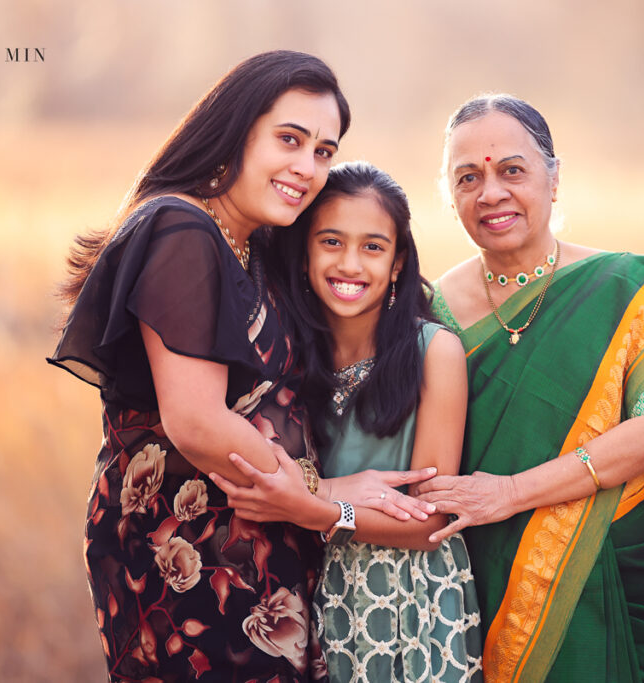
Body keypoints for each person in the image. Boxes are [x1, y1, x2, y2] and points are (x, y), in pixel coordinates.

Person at [47, 51, 431, 682]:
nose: (307, 168)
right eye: (290, 139)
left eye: (324, 151)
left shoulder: (251, 245)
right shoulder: (181, 228)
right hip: (184, 561)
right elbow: (196, 421)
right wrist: (324, 496)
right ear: (237, 129)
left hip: (254, 553)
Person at [414, 94, 644, 682]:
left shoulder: (623, 290)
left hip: (630, 570)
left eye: (511, 170)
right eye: (467, 177)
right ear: (450, 197)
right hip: (500, 578)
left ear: (553, 177)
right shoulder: (430, 312)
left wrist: (513, 492)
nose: (490, 193)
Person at [210, 161, 483, 682]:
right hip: (316, 591)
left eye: (373, 247)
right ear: (305, 250)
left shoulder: (434, 352)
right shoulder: (285, 350)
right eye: (331, 242)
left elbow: (430, 521)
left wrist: (318, 509)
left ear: (399, 261)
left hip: (414, 600)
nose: (350, 264)